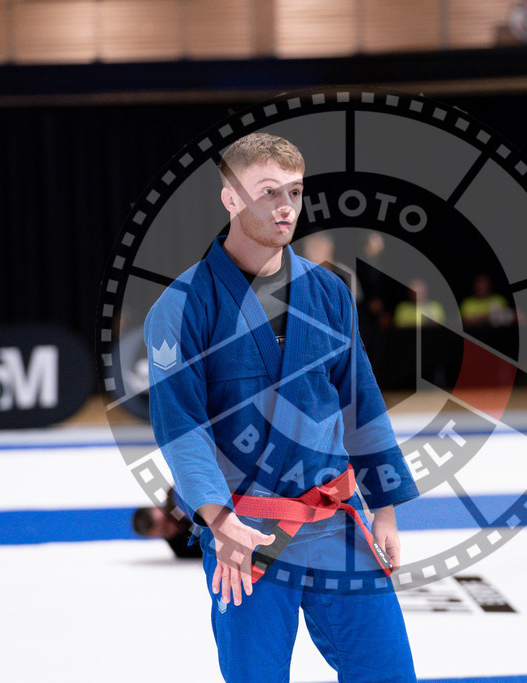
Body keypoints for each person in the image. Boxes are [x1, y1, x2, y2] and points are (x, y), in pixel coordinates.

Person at [144, 132, 419, 682]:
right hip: (245, 534)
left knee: (387, 673)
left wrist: (384, 504)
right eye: (268, 191)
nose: (285, 206)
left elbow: (359, 398)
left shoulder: (328, 291)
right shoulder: (181, 306)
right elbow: (183, 428)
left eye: (294, 192)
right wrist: (219, 521)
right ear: (230, 198)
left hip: (336, 521)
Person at [131, 488, 203, 559]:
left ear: (160, 507)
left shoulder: (177, 496)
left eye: (168, 518)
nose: (173, 525)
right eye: (166, 530)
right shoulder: (184, 549)